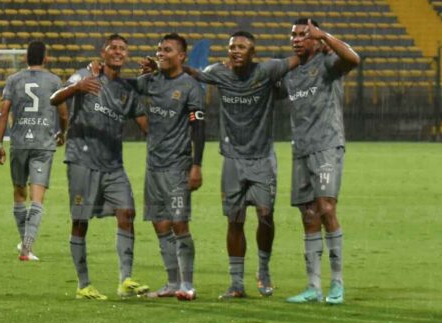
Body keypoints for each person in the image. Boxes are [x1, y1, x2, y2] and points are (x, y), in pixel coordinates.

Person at [143, 31, 299, 298]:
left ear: (253, 52)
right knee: (234, 219)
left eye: (242, 47)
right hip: (232, 159)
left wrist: (317, 45)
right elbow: (189, 72)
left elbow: (297, 58)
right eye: (231, 47)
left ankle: (263, 269)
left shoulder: (267, 70)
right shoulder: (218, 72)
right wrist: (158, 66)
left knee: (265, 215)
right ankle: (236, 283)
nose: (235, 51)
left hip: (262, 157)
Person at [50, 34, 150, 300]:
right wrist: (78, 87)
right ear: (103, 52)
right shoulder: (85, 75)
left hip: (113, 165)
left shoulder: (127, 91)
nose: (118, 52)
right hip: (81, 161)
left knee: (127, 213)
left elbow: (146, 126)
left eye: (123, 49)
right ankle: (83, 284)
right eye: (113, 48)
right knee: (81, 221)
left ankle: (125, 280)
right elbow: (54, 98)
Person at [283, 19, 360, 305]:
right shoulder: (291, 73)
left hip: (327, 145)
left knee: (326, 208)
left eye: (304, 34)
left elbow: (354, 58)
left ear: (316, 39)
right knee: (308, 215)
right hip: (300, 149)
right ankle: (313, 287)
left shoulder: (329, 64)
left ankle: (337, 283)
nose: (297, 39)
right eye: (294, 35)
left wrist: (325, 35)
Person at [133, 33, 206, 301]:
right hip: (153, 164)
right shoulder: (151, 81)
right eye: (159, 49)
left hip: (178, 165)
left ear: (181, 56)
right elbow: (127, 88)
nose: (161, 53)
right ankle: (172, 282)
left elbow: (198, 127)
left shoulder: (190, 86)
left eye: (167, 50)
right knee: (160, 223)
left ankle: (187, 284)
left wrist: (196, 165)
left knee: (179, 223)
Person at [0, 40, 68, 261]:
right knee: (37, 198)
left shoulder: (13, 79)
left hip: (19, 143)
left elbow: (3, 112)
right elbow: (63, 114)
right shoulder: (54, 81)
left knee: (19, 194)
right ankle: (27, 247)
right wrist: (63, 132)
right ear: (46, 58)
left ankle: (24, 243)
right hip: (43, 144)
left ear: (26, 57)